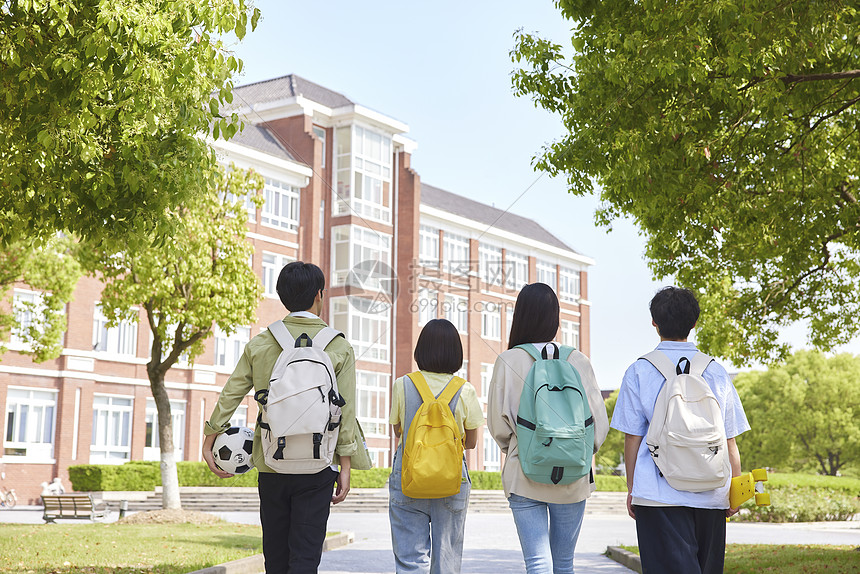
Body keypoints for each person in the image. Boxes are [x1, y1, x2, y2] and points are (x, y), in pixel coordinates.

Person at [202, 261, 359, 574]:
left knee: (275, 558)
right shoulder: (339, 346)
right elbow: (346, 411)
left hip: (271, 462)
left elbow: (231, 394)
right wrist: (345, 465)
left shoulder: (261, 344)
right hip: (319, 464)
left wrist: (209, 440)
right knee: (305, 558)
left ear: (282, 296)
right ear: (319, 295)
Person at [611, 286, 750, 574]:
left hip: (657, 493)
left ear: (654, 322)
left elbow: (632, 438)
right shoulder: (716, 371)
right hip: (711, 491)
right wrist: (734, 489)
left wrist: (632, 489)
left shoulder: (639, 371)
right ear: (694, 323)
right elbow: (730, 440)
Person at [488, 283, 609, 574]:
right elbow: (599, 425)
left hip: (524, 472)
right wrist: (575, 449)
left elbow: (497, 425)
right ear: (555, 317)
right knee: (564, 563)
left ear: (520, 316)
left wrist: (519, 446)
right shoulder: (578, 360)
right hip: (573, 475)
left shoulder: (508, 360)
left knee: (537, 563)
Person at [388, 318, 483, 574]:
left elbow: (398, 430)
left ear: (421, 351)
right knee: (447, 561)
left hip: (408, 477)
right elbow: (471, 442)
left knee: (410, 561)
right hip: (451, 481)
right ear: (456, 353)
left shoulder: (403, 384)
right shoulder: (465, 390)